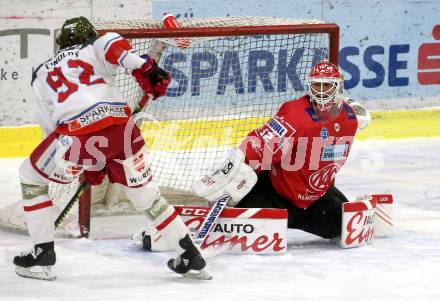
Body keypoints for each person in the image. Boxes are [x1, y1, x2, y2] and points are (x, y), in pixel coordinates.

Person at [13, 16, 210, 280]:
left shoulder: (40, 72)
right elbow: (111, 44)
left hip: (77, 138)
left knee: (30, 177)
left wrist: (82, 162)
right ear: (89, 35)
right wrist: (147, 69)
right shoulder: (95, 45)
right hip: (124, 132)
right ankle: (189, 254)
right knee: (146, 197)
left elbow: (50, 127)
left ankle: (41, 254)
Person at [192, 60, 371, 241]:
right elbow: (259, 145)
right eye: (317, 85)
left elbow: (360, 112)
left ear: (338, 87)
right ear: (310, 86)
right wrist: (233, 170)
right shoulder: (295, 114)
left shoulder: (350, 116)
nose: (322, 91)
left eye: (327, 85)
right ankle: (234, 207)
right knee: (241, 226)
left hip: (316, 199)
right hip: (276, 195)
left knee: (342, 229)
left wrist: (351, 106)